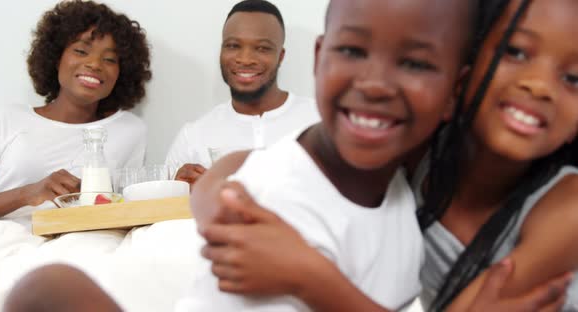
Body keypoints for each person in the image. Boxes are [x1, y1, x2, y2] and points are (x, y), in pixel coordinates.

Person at [196, 0, 578, 310]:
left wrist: (309, 276)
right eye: (516, 51)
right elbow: (253, 162)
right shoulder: (422, 148)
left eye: (574, 77)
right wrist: (223, 211)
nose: (539, 86)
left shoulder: (567, 207)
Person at [0, 0, 151, 229]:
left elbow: (127, 209)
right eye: (81, 51)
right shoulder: (3, 119)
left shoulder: (130, 130)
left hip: (82, 246)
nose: (94, 64)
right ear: (56, 58)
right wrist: (28, 193)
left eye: (110, 59)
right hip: (2, 242)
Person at [164, 0, 319, 187]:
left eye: (262, 48)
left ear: (281, 56)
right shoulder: (193, 138)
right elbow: (163, 212)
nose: (245, 59)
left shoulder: (322, 121)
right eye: (233, 45)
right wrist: (178, 191)